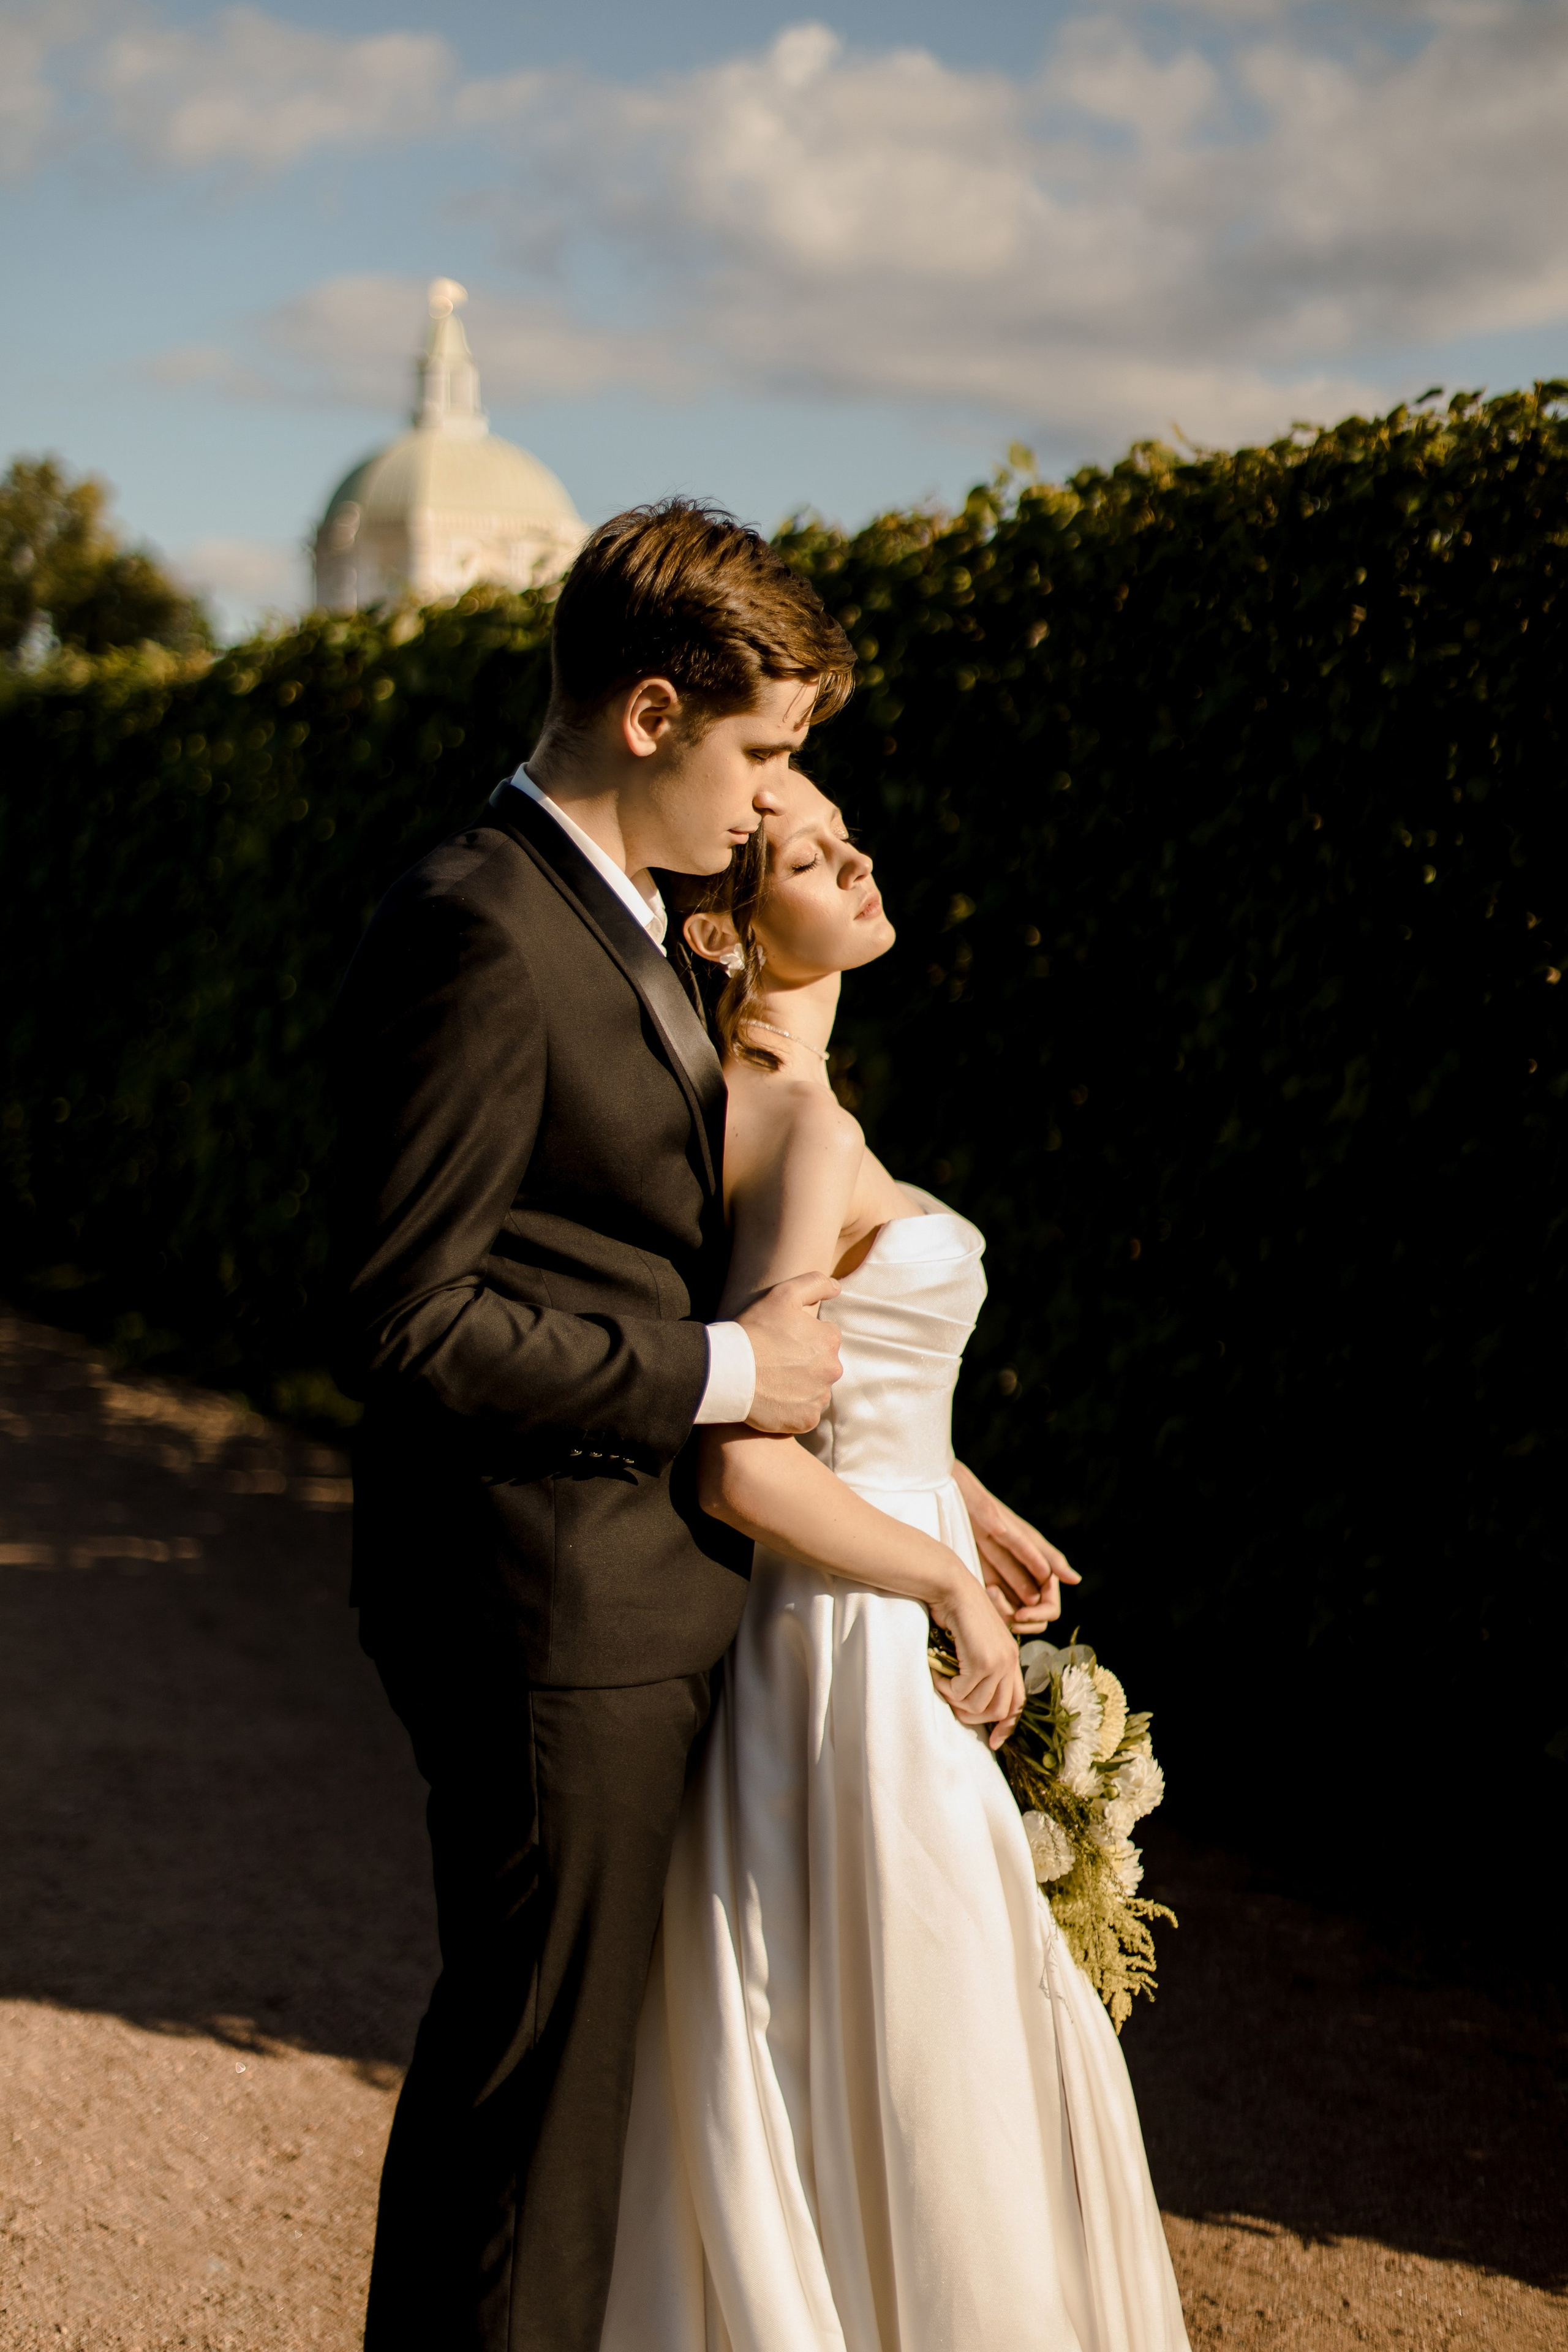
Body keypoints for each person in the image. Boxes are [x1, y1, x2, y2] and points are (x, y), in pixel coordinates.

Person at [332, 501, 855, 2351]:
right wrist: (726, 1375)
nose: (778, 801)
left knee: (557, 2107)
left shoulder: (627, 908)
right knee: (533, 2127)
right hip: (548, 1610)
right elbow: (407, 1315)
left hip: (622, 1597)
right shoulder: (479, 919)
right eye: (763, 752)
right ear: (650, 713)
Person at [600, 768, 1192, 2351]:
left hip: (842, 1611)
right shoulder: (796, 1120)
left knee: (863, 2035)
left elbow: (833, 1367)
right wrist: (935, 1580)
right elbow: (742, 1455)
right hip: (854, 1652)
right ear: (727, 928)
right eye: (808, 854)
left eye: (847, 833)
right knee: (932, 2062)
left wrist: (960, 1491)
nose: (858, 860)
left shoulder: (750, 1103)